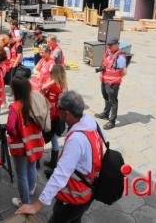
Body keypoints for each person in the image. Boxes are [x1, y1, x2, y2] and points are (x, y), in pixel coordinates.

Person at [16, 91, 106, 223]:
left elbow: (60, 175)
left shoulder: (76, 139)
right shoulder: (91, 122)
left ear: (67, 113)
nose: (56, 109)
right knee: (75, 220)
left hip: (74, 197)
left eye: (58, 108)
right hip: (89, 192)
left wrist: (36, 206)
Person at [7, 77, 45, 207]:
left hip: (20, 147)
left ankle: (25, 203)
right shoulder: (34, 103)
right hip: (34, 144)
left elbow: (11, 128)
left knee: (21, 175)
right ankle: (32, 188)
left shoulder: (14, 107)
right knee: (32, 166)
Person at [94, 37, 127, 130]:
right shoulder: (108, 52)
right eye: (108, 45)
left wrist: (115, 80)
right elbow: (105, 64)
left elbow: (123, 72)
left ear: (116, 45)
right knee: (106, 97)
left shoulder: (120, 56)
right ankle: (105, 114)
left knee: (113, 101)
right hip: (104, 81)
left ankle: (112, 121)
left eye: (110, 45)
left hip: (113, 83)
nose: (108, 47)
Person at [41, 65, 67, 172]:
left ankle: (37, 160)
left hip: (51, 118)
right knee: (54, 139)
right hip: (55, 117)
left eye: (51, 74)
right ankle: (53, 162)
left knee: (42, 138)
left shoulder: (55, 86)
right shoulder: (63, 85)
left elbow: (42, 90)